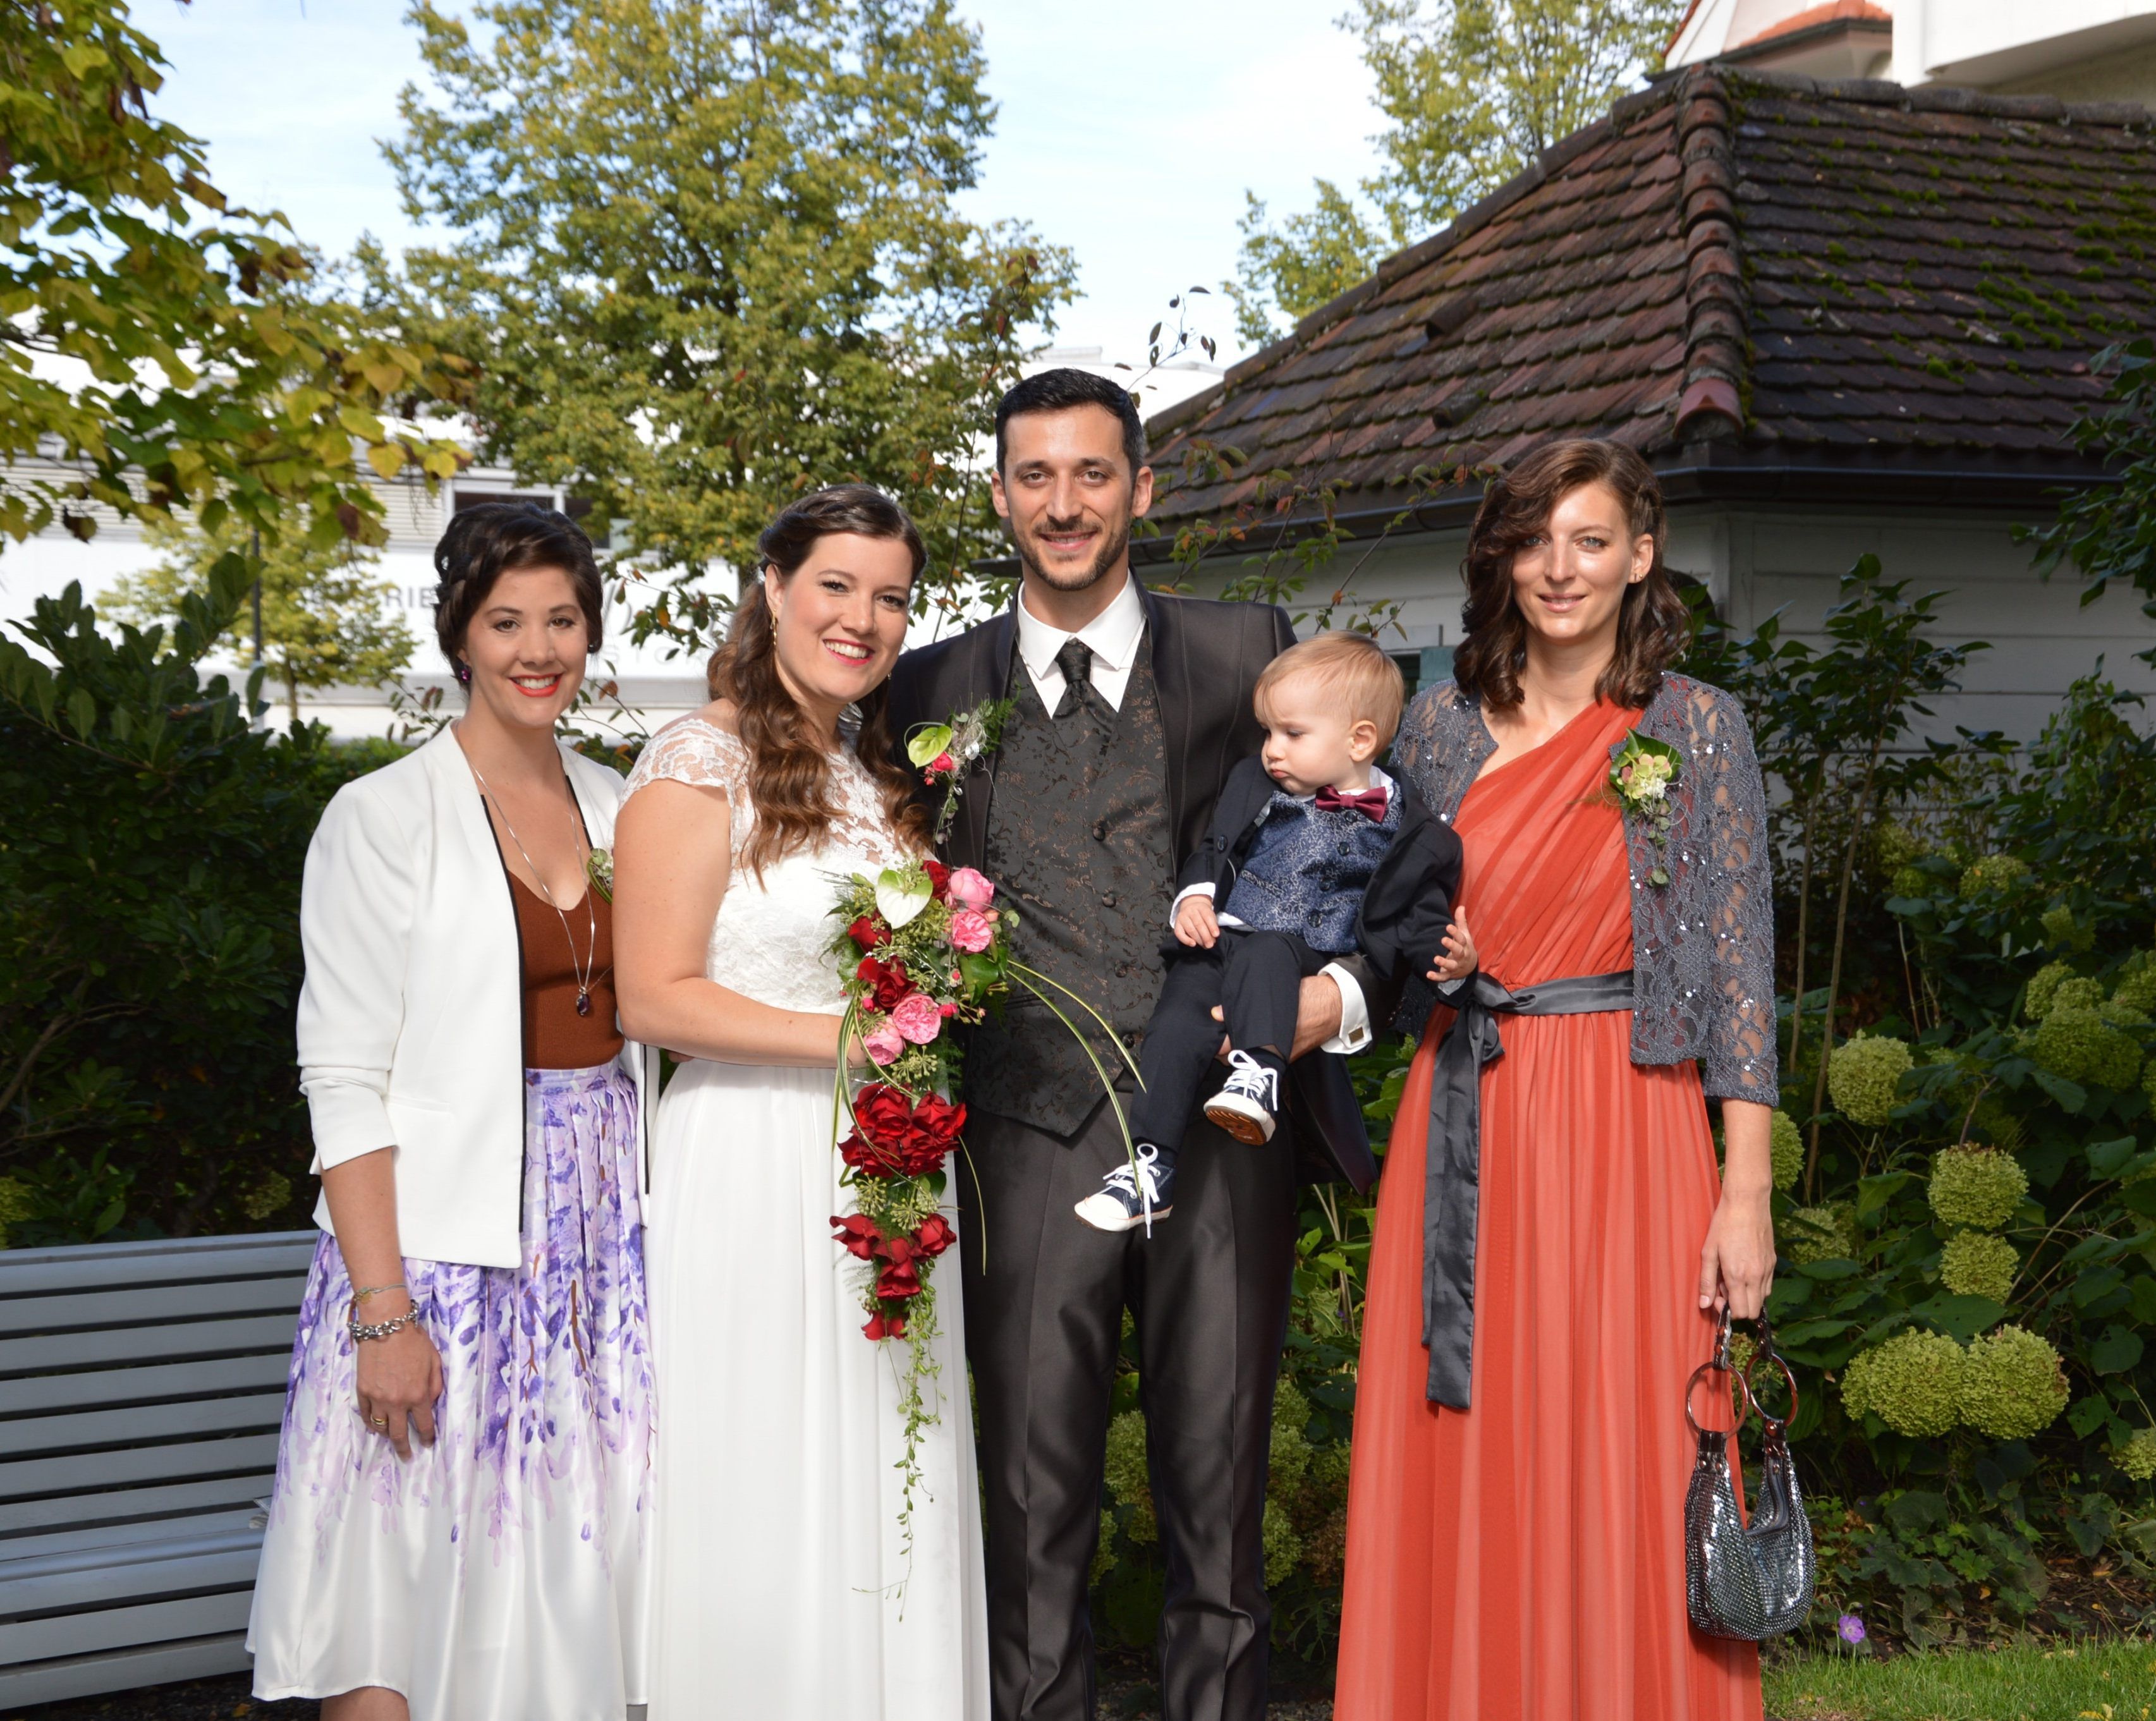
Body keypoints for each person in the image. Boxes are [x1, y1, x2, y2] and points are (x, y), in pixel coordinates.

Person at [887, 368, 1389, 1721]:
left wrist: (1348, 985)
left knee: (1216, 1488)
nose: (1065, 503)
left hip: (1221, 1123)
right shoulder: (927, 685)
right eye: (1035, 476)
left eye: (1093, 473)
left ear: (1140, 488)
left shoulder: (1242, 654)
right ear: (1000, 494)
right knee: (1031, 1494)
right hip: (1023, 1125)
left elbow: (1353, 847)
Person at [1334, 437, 1777, 1721]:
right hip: (1468, 1110)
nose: (1560, 567)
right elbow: (1376, 930)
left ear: (1642, 554)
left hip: (1635, 1114)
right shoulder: (1430, 726)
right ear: (1501, 558)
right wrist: (1433, 954)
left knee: (1634, 1438)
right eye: (1534, 540)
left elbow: (1743, 964)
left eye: (1590, 539)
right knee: (1473, 1436)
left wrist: (1744, 1191)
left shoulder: (1698, 724)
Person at [248, 504, 652, 1721]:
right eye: (507, 620)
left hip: (603, 1250)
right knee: (402, 1576)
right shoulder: (381, 816)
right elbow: (342, 1076)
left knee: (576, 1579)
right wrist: (384, 1313)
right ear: (461, 638)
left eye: (564, 619)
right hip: (441, 1250)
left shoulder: (626, 801)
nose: (540, 648)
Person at [615, 485, 987, 1719]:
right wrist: (851, 1039)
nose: (864, 618)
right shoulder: (694, 758)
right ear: (773, 585)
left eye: (890, 598)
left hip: (883, 1151)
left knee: (892, 1454)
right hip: (753, 1157)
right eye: (837, 585)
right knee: (766, 1463)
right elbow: (653, 998)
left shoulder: (876, 775)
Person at [1076, 631, 1468, 1231]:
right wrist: (1196, 897)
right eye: (1267, 732)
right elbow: (1214, 848)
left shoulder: (1414, 833)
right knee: (1176, 1025)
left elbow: (1415, 916)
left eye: (1291, 733)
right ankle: (1149, 1166)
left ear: (1360, 739)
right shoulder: (1251, 785)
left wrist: (1454, 966)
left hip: (1301, 953)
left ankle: (1259, 1074)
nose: (1271, 750)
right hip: (1220, 941)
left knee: (1268, 952)